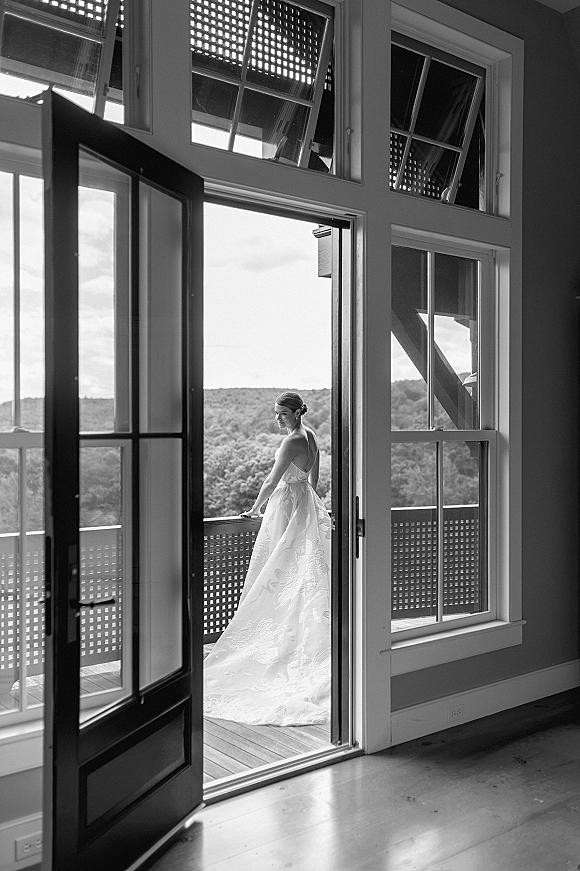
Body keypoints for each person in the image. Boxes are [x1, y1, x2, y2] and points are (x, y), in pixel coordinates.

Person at [203, 391, 331, 726]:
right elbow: (313, 478)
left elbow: (273, 480)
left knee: (278, 568)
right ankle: (293, 634)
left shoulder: (292, 442)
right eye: (276, 413)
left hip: (286, 504)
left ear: (296, 413)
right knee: (299, 572)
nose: (277, 419)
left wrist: (255, 509)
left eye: (282, 414)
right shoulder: (312, 436)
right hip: (305, 503)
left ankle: (284, 637)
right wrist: (313, 503)